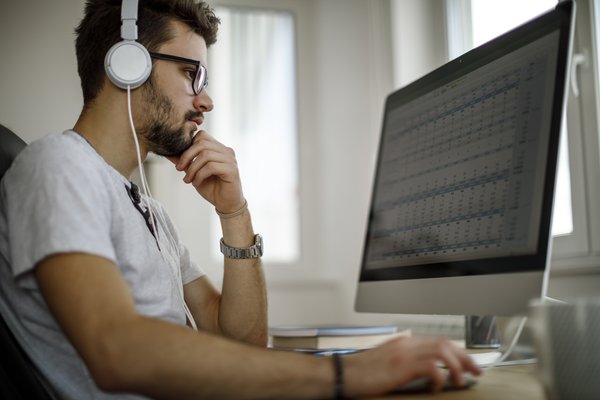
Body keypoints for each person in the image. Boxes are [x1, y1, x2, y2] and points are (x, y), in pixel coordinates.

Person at [0, 0, 482, 398]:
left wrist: (235, 212)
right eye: (192, 74)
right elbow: (116, 349)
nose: (206, 101)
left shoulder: (146, 210)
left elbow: (243, 341)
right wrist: (348, 375)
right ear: (127, 65)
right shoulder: (58, 166)